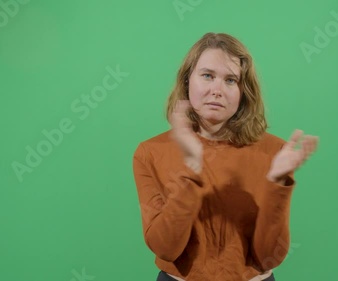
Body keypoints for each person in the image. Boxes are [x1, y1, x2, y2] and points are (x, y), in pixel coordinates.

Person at [132, 32, 318, 281]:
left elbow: (268, 258)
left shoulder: (274, 153)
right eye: (207, 75)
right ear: (188, 80)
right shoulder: (150, 152)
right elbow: (166, 248)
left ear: (243, 91)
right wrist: (192, 170)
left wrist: (277, 184)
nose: (217, 90)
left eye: (231, 80)